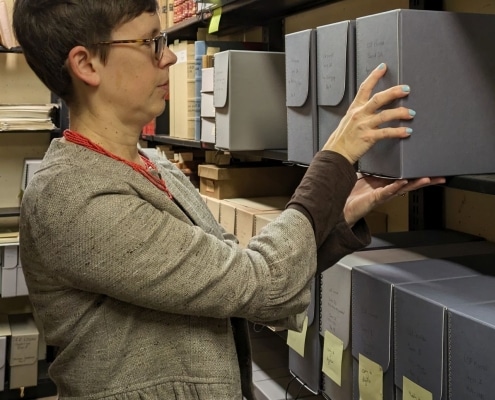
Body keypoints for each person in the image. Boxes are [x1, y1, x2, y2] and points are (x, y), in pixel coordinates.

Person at [12, 1, 444, 399]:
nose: (170, 56)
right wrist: (334, 160)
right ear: (86, 64)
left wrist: (339, 207)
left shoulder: (149, 164)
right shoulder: (72, 197)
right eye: (150, 43)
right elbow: (258, 284)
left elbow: (235, 270)